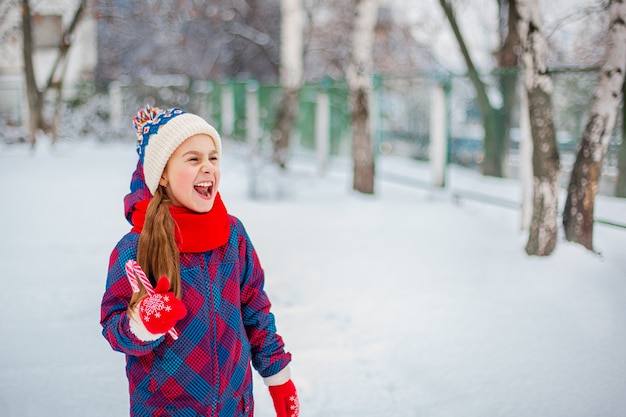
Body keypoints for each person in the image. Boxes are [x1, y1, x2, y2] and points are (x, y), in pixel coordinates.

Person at [100, 105, 299, 417]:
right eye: (193, 158)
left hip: (235, 407)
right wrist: (141, 323)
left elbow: (255, 310)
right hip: (166, 410)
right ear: (163, 174)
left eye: (213, 158)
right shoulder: (136, 247)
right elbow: (113, 327)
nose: (207, 167)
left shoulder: (232, 235)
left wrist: (279, 380)